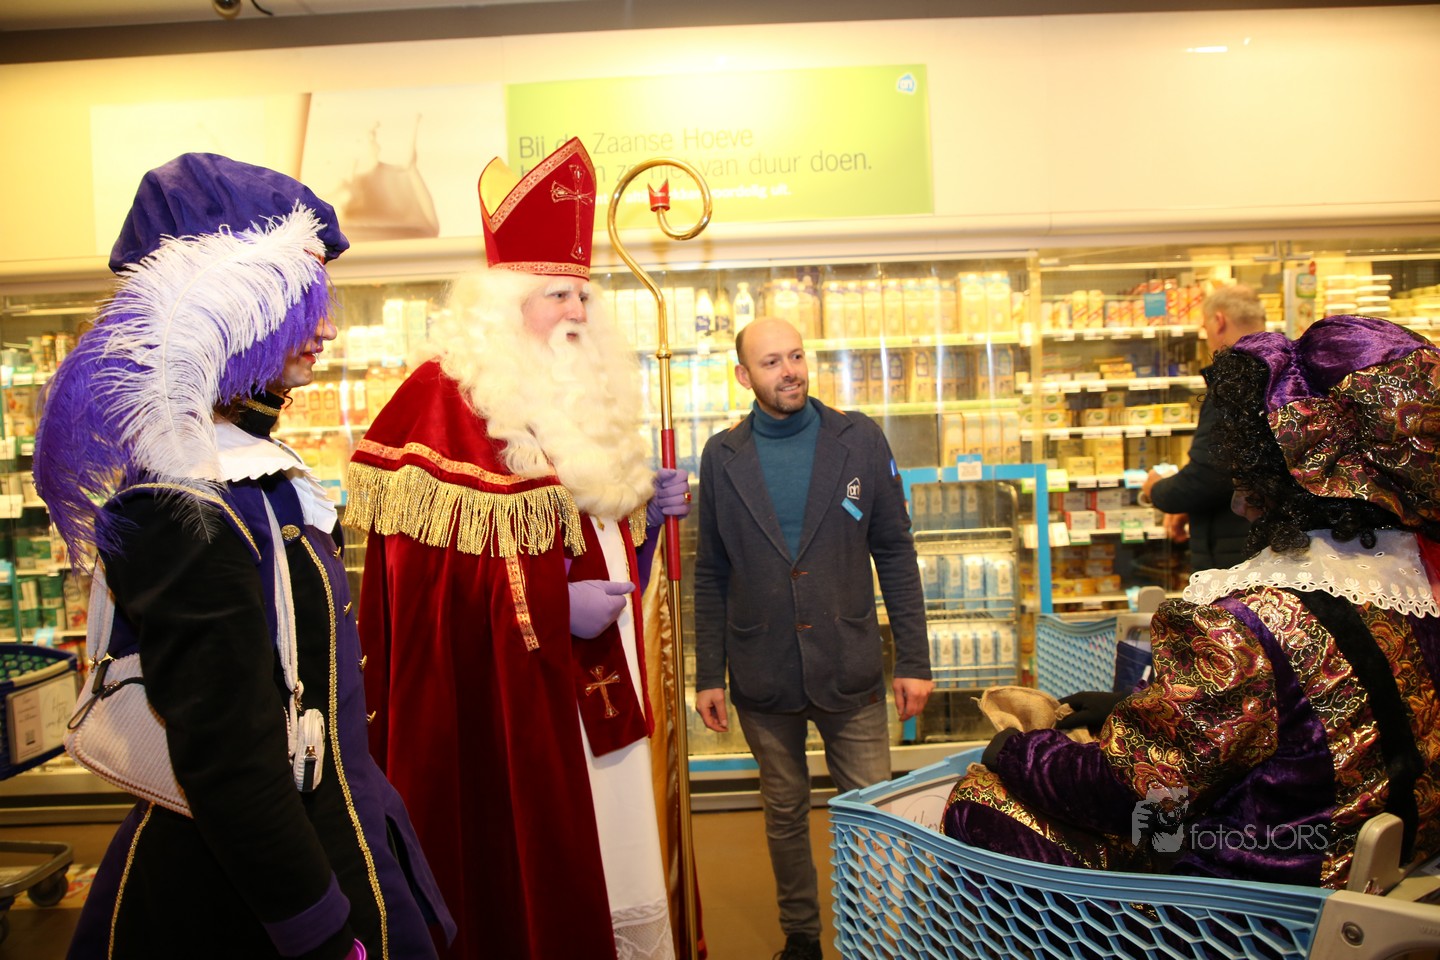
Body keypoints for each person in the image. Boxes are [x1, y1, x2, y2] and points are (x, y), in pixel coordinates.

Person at [33, 153, 454, 959]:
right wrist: (319, 933)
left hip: (333, 842)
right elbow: (230, 766)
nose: (326, 329)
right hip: (256, 901)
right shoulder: (182, 504)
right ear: (226, 307)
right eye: (302, 300)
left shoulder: (251, 475)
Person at [942, 313, 1440, 890]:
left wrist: (1019, 749)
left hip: (1251, 905)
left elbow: (1135, 795)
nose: (1237, 489)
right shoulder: (1413, 592)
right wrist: (1131, 710)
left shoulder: (1246, 624)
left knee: (981, 800)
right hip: (1378, 881)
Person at [344, 137, 691, 960]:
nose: (576, 312)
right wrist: (549, 606)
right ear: (503, 307)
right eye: (555, 294)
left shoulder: (582, 398)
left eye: (582, 293)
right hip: (522, 705)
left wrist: (645, 517)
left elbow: (596, 541)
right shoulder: (443, 400)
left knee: (619, 862)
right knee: (548, 873)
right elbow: (425, 592)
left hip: (606, 686)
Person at [692, 317, 934, 960]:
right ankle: (801, 935)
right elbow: (711, 571)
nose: (789, 371)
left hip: (849, 662)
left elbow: (895, 551)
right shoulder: (722, 456)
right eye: (771, 362)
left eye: (796, 356)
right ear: (743, 376)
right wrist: (708, 673)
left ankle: (873, 936)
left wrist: (913, 659)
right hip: (761, 668)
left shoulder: (858, 438)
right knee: (783, 811)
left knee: (871, 812)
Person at [1140, 283, 1267, 570]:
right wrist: (1190, 507)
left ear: (1219, 321)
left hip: (1239, 554)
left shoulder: (1236, 379)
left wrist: (1156, 489)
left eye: (1205, 327)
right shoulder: (1285, 368)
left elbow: (1209, 477)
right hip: (1269, 544)